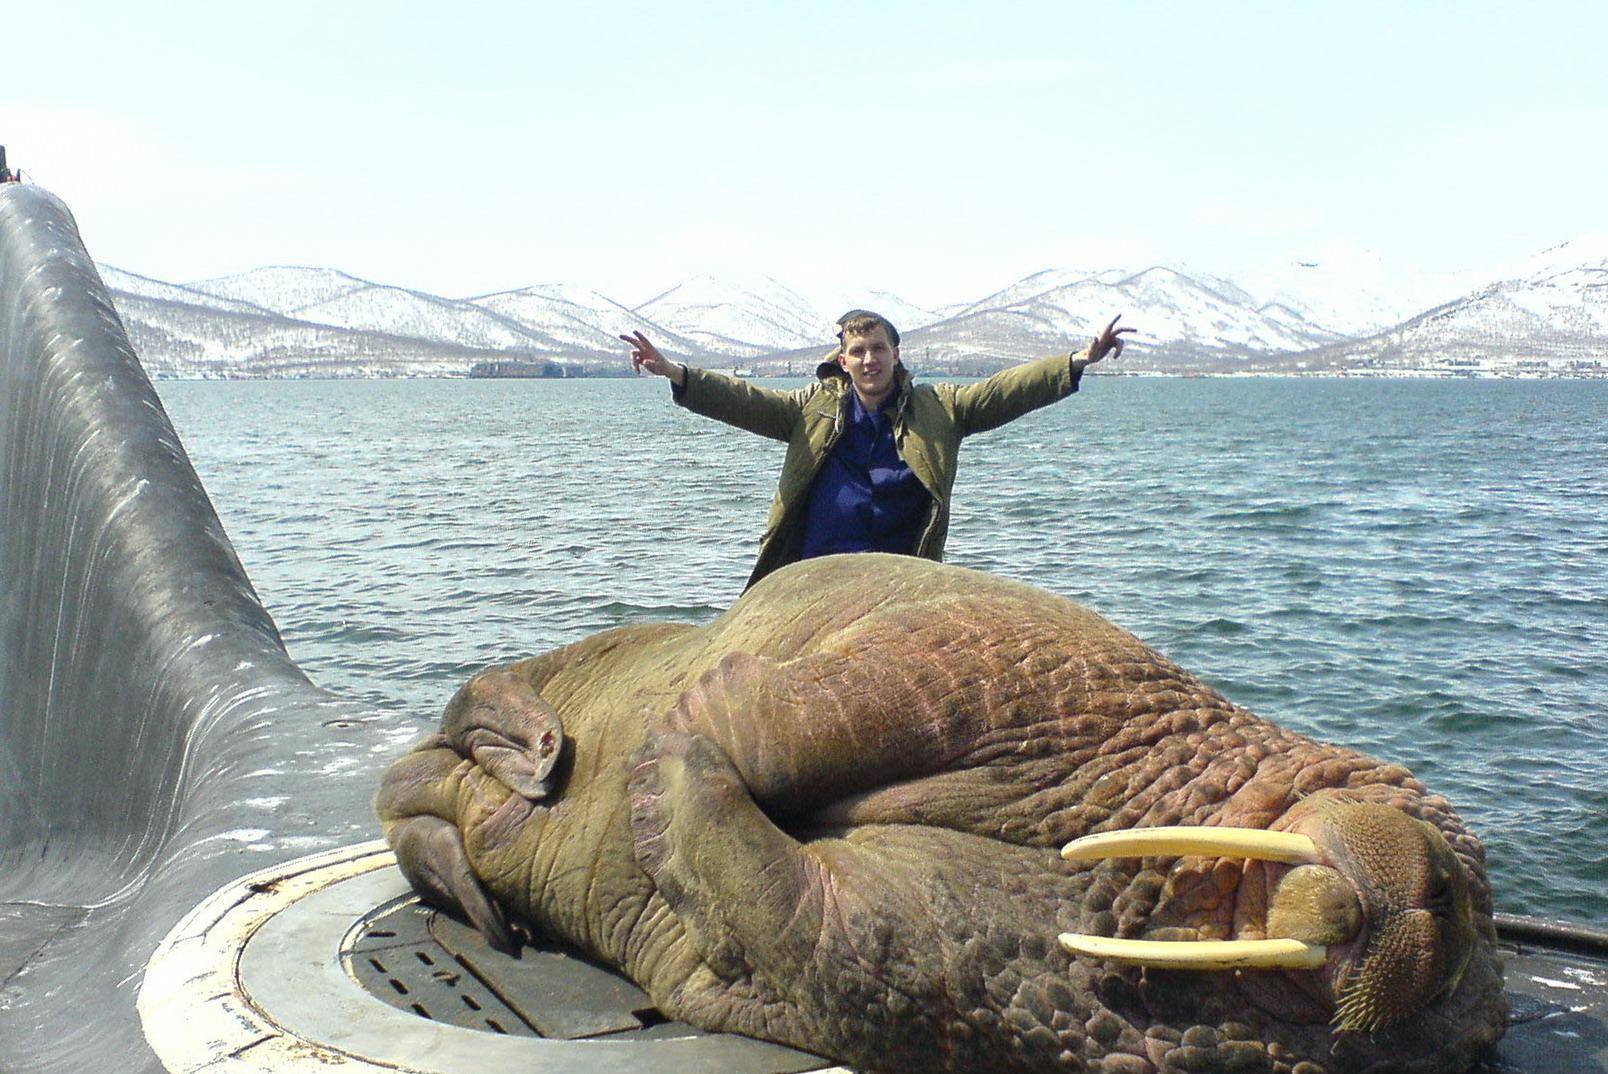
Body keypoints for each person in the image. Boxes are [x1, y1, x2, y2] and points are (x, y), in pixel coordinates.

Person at [622, 310, 1132, 590]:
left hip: (900, 579)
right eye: (859, 352)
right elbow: (743, 399)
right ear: (843, 361)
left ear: (895, 354)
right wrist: (677, 374)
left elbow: (1004, 390)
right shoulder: (810, 410)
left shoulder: (941, 409)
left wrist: (1078, 361)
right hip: (813, 575)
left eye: (879, 349)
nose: (870, 360)